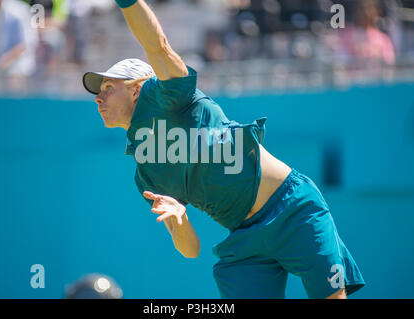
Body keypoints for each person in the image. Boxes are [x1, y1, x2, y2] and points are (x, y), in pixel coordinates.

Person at [82, 0, 365, 299]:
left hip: (294, 209)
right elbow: (191, 250)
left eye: (108, 88)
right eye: (98, 92)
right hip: (244, 241)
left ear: (137, 89)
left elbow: (157, 45)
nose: (98, 98)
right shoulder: (146, 174)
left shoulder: (167, 96)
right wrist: (180, 221)